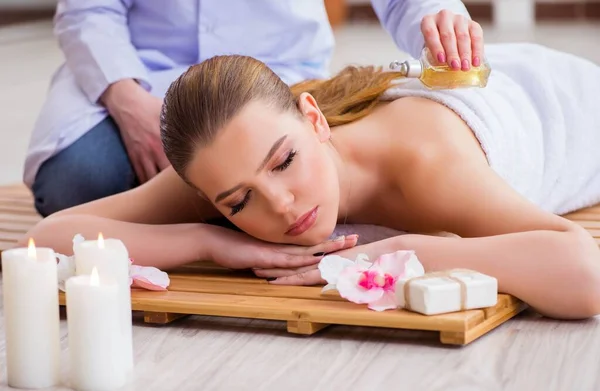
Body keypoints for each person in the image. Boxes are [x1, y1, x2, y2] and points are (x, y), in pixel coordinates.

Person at [23, 41, 600, 320]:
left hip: (569, 104)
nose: (279, 205)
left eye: (285, 162)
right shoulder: (228, 165)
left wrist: (400, 248)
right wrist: (212, 243)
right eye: (240, 202)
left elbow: (583, 273)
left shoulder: (428, 166)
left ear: (314, 118)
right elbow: (48, 237)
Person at [23, 0, 483, 217]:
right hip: (141, 68)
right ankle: (218, 223)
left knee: (288, 178)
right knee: (76, 181)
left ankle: (235, 208)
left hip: (269, 73)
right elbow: (88, 10)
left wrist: (438, 24)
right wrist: (129, 103)